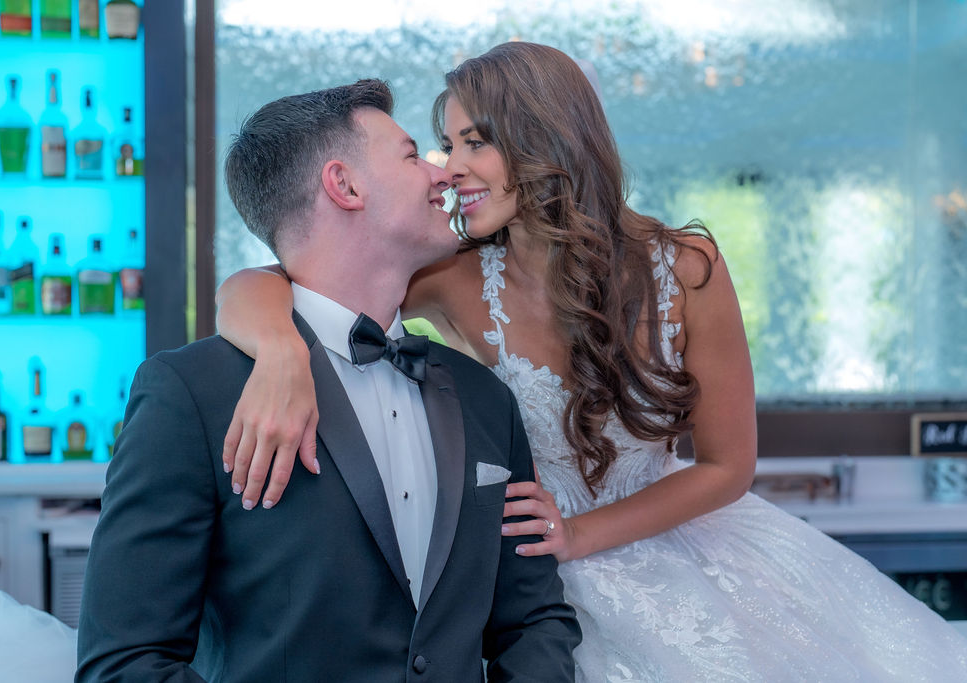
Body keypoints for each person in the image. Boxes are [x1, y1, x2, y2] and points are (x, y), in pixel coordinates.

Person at [215, 43, 967, 681]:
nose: (451, 168)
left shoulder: (688, 267)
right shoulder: (451, 277)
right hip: (538, 587)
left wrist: (581, 535)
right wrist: (280, 352)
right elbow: (265, 284)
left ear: (544, 140)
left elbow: (728, 466)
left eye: (475, 142)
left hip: (693, 557)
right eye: (446, 145)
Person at [76, 78, 581, 682]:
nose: (443, 174)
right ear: (344, 186)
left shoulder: (486, 397)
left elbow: (534, 621)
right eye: (413, 155)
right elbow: (126, 661)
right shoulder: (191, 395)